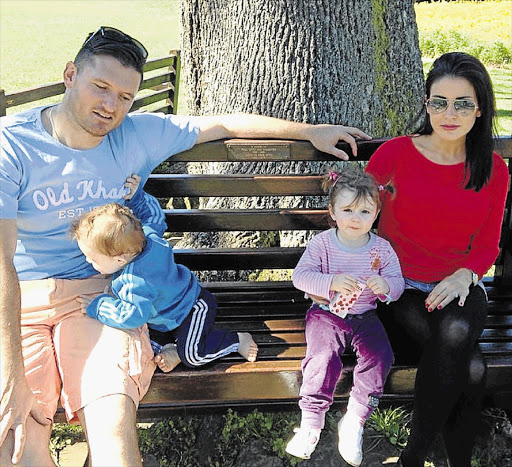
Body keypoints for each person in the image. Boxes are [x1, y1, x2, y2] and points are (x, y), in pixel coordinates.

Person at [0, 26, 370, 466]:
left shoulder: (136, 134)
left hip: (100, 294)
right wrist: (11, 373)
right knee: (20, 439)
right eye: (100, 87)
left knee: (112, 425)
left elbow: (223, 124)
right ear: (69, 75)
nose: (110, 106)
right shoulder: (12, 143)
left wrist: (311, 130)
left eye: (124, 97)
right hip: (23, 300)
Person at [365, 52, 509, 466]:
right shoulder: (394, 155)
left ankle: (415, 457)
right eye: (438, 102)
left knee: (458, 339)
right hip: (398, 286)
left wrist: (466, 276)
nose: (449, 113)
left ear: (480, 109)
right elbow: (352, 214)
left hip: (460, 282)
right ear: (426, 104)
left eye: (462, 103)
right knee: (473, 369)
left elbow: (487, 244)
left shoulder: (493, 169)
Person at [71, 177, 258, 371]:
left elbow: (131, 316)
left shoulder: (136, 281)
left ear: (119, 259)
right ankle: (171, 348)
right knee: (139, 341)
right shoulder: (148, 236)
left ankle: (235, 340)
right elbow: (154, 216)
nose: (88, 262)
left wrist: (99, 306)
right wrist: (137, 197)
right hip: (163, 318)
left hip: (191, 307)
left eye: (93, 259)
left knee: (193, 356)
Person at [285, 166, 405, 466]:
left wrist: (386, 286)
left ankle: (355, 420)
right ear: (333, 211)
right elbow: (300, 277)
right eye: (348, 209)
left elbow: (398, 283)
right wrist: (330, 283)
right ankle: (311, 423)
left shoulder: (382, 249)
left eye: (365, 211)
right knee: (322, 355)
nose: (355, 218)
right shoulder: (323, 244)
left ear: (376, 214)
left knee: (380, 356)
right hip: (326, 314)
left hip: (365, 315)